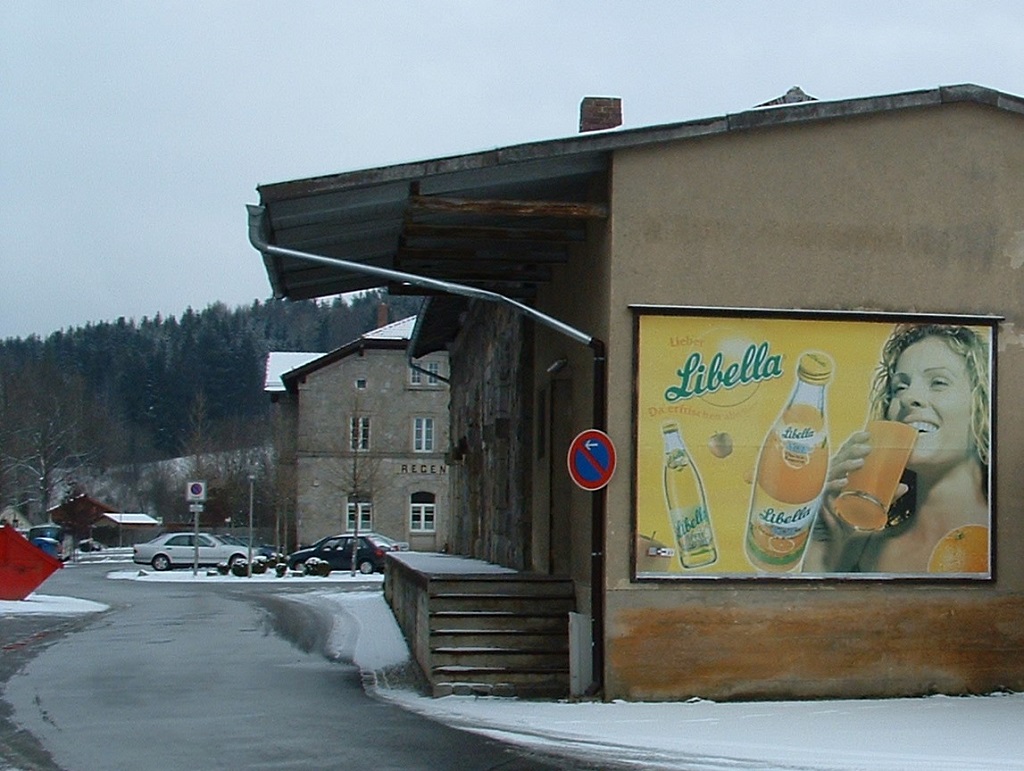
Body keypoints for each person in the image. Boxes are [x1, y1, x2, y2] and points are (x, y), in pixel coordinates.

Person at [805, 323, 990, 573]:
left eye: (938, 382)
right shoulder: (862, 551)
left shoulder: (1011, 538)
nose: (907, 398)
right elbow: (810, 609)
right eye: (899, 388)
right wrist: (824, 537)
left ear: (984, 404)